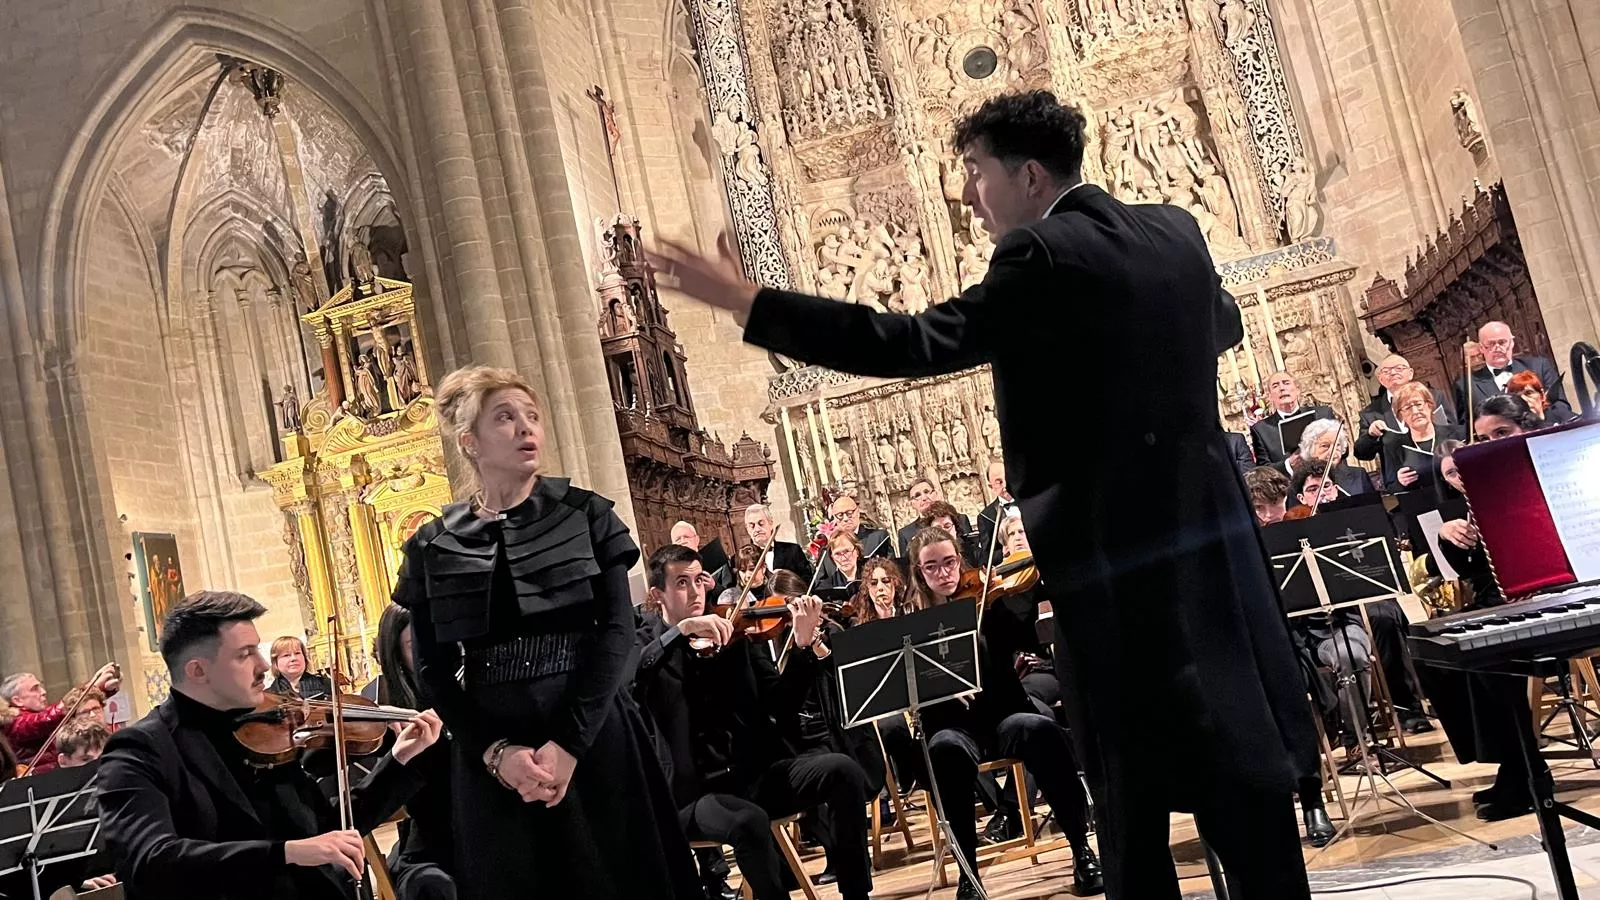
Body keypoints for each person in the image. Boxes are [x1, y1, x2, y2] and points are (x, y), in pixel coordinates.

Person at [652, 88, 1315, 899]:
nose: (966, 193)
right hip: (1213, 551)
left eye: (974, 172)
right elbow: (1223, 328)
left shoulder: (1038, 257)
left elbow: (913, 342)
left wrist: (755, 304)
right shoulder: (1175, 229)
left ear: (1030, 175)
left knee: (1131, 801)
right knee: (1243, 782)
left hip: (1114, 568)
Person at [392, 365, 699, 899]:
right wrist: (496, 754)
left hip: (595, 733)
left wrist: (571, 744)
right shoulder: (433, 545)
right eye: (505, 418)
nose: (526, 428)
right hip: (496, 754)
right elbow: (432, 672)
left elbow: (616, 632)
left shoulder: (585, 516)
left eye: (531, 415)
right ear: (469, 442)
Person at [95, 590, 443, 900]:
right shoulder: (139, 750)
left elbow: (330, 827)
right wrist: (285, 853)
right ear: (198, 671)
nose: (264, 666)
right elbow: (152, 859)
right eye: (246, 654)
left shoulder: (267, 727)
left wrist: (400, 760)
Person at [632, 544, 874, 900]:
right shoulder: (647, 644)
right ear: (657, 595)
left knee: (843, 770)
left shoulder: (734, 633)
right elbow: (631, 677)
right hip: (693, 795)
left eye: (699, 580)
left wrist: (803, 647)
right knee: (749, 822)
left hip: (754, 777)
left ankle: (857, 895)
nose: (696, 591)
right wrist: (681, 631)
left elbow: (781, 704)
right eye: (681, 583)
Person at [903, 527, 1102, 898]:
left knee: (1039, 729)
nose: (944, 573)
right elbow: (907, 691)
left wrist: (1006, 602)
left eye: (949, 562)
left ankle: (1081, 850)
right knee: (943, 749)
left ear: (960, 561)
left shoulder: (988, 604)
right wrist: (937, 689)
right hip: (951, 728)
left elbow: (1027, 640)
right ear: (919, 573)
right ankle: (969, 875)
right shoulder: (910, 627)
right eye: (932, 567)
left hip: (1002, 717)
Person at [1416, 405, 1545, 820]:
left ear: (1527, 429)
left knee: (1488, 657)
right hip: (1501, 599)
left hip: (1546, 596)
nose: (1490, 446)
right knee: (1431, 649)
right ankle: (1515, 764)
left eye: (1500, 433)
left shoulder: (1543, 472)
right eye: (1483, 439)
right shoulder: (1484, 492)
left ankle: (1527, 771)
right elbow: (1469, 571)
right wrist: (1446, 535)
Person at [365, 603, 456, 900]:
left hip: (483, 828)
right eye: (413, 645)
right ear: (397, 656)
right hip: (433, 846)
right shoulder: (396, 718)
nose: (428, 651)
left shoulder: (461, 693)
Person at [1, 663, 120, 775]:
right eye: (35, 689)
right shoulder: (13, 723)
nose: (43, 692)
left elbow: (79, 710)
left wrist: (102, 691)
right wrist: (91, 687)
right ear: (17, 700)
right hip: (41, 786)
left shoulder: (46, 716)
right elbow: (48, 718)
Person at [1453, 321, 1571, 423]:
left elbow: (1560, 405)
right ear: (1482, 348)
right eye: (1491, 344)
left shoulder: (1539, 366)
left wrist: (1543, 422)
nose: (1497, 348)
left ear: (1512, 343)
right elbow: (1467, 428)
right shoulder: (1466, 386)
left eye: (1502, 342)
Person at [1354, 355, 1452, 463]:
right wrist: (1370, 435)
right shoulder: (1371, 413)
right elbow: (1362, 454)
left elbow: (1452, 429)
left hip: (1441, 462)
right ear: (1380, 379)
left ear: (1410, 373)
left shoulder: (1434, 397)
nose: (1393, 373)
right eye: (1386, 371)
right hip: (1400, 474)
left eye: (1399, 368)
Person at [1381, 381, 1464, 492]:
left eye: (1418, 404)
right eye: (1407, 408)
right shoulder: (1394, 445)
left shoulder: (1457, 434)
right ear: (1400, 415)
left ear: (1429, 405)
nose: (1415, 411)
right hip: (1425, 505)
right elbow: (1390, 488)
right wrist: (1400, 482)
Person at [1250, 371, 1337, 466]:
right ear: (1269, 396)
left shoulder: (1323, 414)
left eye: (1286, 383)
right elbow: (1264, 469)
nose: (1282, 388)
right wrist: (1288, 464)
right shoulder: (1261, 430)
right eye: (1275, 386)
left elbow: (1344, 449)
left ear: (1298, 389)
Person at [1290, 419, 1373, 503]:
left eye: (1337, 445)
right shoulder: (1299, 482)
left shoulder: (1359, 475)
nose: (1333, 450)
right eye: (1325, 446)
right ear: (1310, 449)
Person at [896, 477, 974, 555]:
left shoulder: (960, 519)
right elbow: (907, 564)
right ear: (912, 503)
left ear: (936, 494)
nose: (924, 498)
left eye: (926, 492)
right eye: (917, 495)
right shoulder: (906, 533)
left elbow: (972, 552)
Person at [743, 503, 815, 583]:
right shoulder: (742, 557)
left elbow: (808, 580)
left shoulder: (792, 550)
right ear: (747, 529)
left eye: (761, 524)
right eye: (752, 526)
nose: (757, 529)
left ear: (770, 523)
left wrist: (788, 578)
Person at [974, 458, 1019, 565]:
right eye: (999, 482)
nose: (1005, 486)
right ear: (991, 486)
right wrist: (1003, 552)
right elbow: (986, 557)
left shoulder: (1029, 501)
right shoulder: (986, 516)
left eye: (1007, 479)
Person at [825, 493, 892, 564]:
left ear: (858, 512)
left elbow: (891, 567)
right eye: (840, 515)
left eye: (849, 513)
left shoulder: (877, 538)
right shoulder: (830, 547)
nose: (845, 519)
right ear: (834, 518)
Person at [267, 636, 333, 699]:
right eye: (286, 655)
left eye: (297, 653)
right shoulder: (268, 696)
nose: (293, 658)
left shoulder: (326, 684)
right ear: (275, 662)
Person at [1506, 370, 1574, 426]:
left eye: (1528, 393)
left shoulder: (1563, 417)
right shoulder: (1513, 430)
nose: (1524, 399)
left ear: (1542, 395)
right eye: (1516, 397)